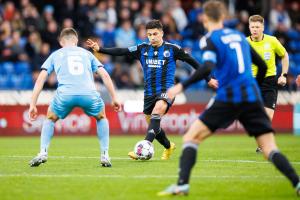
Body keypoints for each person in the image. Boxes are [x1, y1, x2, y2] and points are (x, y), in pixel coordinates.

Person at [158, 1, 300, 196]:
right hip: (250, 96)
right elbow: (263, 66)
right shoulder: (239, 37)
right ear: (223, 17)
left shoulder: (210, 39)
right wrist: (254, 88)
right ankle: (297, 184)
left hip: (228, 97)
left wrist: (181, 86)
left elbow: (207, 67)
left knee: (191, 137)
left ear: (205, 18)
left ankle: (182, 184)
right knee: (269, 147)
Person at [86, 19, 218, 160]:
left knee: (157, 112)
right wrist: (100, 49)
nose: (152, 37)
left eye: (155, 34)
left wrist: (208, 79)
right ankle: (168, 146)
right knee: (154, 125)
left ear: (161, 33)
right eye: (149, 34)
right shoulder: (142, 48)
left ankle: (143, 148)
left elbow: (193, 62)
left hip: (167, 90)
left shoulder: (173, 49)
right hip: (149, 92)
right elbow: (122, 51)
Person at [28, 28, 122, 167]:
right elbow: (105, 75)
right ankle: (105, 155)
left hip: (65, 95)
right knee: (101, 117)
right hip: (88, 94)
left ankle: (43, 152)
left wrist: (32, 104)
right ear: (76, 41)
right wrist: (114, 97)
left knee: (50, 118)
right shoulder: (87, 54)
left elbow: (41, 79)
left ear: (61, 42)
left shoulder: (55, 54)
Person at [246, 15, 290, 153]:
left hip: (270, 81)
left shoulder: (272, 41)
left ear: (263, 28)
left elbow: (284, 55)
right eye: (252, 27)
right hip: (252, 81)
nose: (255, 30)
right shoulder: (244, 43)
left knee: (268, 115)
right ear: (249, 27)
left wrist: (284, 75)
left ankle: (263, 144)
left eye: (257, 27)